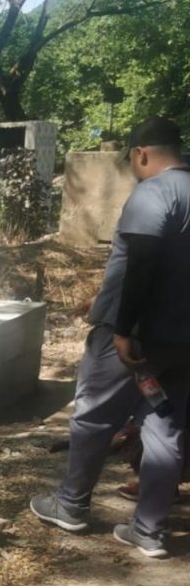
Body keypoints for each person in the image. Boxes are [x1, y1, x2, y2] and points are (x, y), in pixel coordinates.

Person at [31, 116, 190, 558]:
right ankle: (148, 531)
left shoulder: (155, 192)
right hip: (182, 343)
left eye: (132, 162)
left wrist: (123, 328)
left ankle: (71, 505)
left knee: (94, 415)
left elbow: (143, 262)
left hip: (134, 339)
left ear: (141, 154)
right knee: (165, 428)